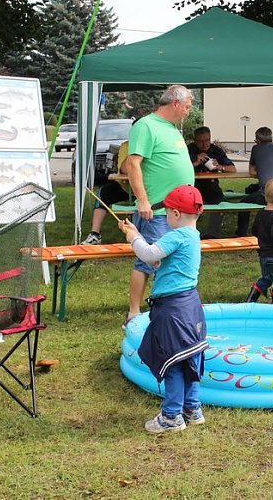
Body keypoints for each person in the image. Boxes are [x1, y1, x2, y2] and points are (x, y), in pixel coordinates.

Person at [119, 185, 207, 433]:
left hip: (173, 309)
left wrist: (133, 238)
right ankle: (192, 408)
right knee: (189, 356)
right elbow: (160, 259)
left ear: (176, 214)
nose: (165, 217)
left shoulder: (176, 235)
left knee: (174, 361)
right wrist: (137, 232)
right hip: (190, 305)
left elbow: (147, 255)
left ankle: (171, 417)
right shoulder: (192, 236)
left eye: (167, 212)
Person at [125, 85, 196, 326]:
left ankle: (166, 308)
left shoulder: (173, 130)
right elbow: (133, 164)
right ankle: (133, 314)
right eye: (187, 107)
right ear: (175, 103)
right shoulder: (146, 126)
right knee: (146, 262)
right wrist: (143, 200)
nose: (188, 112)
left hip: (178, 213)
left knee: (172, 261)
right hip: (155, 210)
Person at [235, 126, 273, 237]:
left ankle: (241, 234)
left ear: (258, 140)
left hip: (266, 193)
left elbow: (251, 171)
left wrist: (262, 171)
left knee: (243, 202)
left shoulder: (256, 149)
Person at [245, 179, 273, 304]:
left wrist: (262, 237)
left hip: (263, 255)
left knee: (266, 278)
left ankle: (251, 298)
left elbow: (254, 229)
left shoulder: (260, 214)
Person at [188, 126, 237, 239]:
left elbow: (232, 169)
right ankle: (190, 232)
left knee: (220, 202)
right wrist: (195, 162)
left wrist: (220, 167)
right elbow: (179, 168)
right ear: (195, 141)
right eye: (201, 141)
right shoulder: (189, 150)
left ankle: (211, 233)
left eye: (207, 140)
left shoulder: (215, 150)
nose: (205, 144)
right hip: (192, 185)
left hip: (211, 183)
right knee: (187, 203)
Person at [82, 140, 131, 245]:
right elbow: (125, 169)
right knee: (103, 192)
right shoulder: (126, 146)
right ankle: (95, 234)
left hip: (150, 188)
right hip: (127, 187)